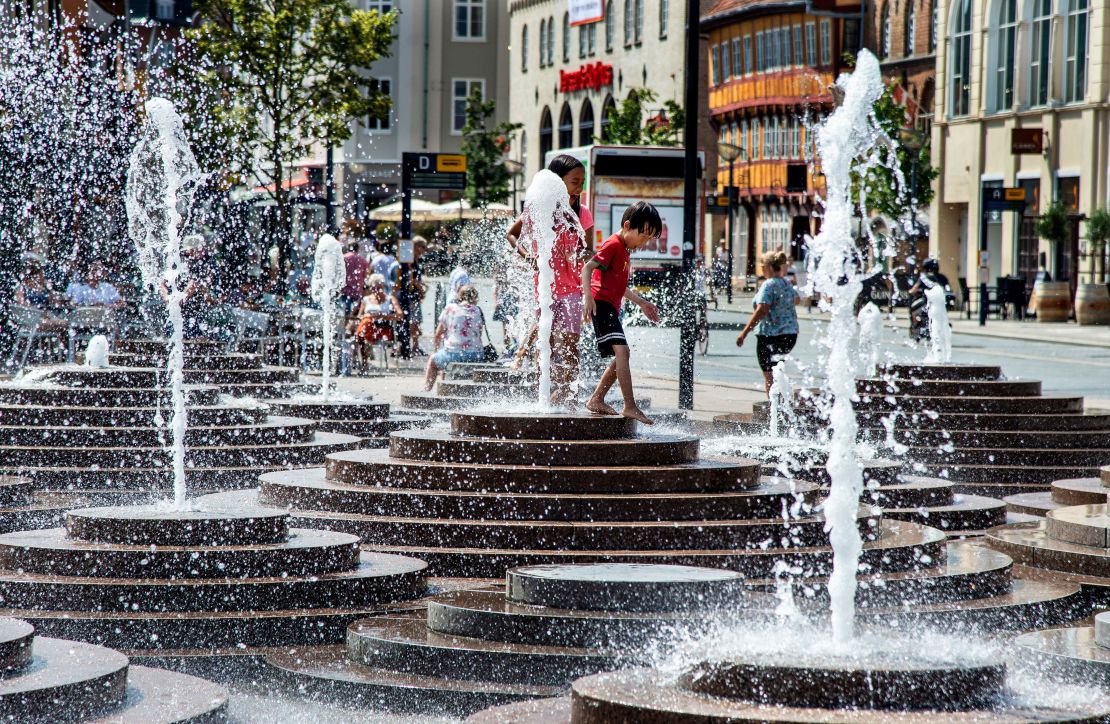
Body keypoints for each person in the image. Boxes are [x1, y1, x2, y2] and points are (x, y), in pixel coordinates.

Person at [505, 154, 594, 403]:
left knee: (570, 346)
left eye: (582, 182)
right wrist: (530, 258)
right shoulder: (539, 210)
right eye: (575, 181)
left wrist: (580, 253)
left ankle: (567, 396)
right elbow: (511, 234)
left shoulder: (582, 213)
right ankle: (541, 397)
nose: (580, 188)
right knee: (546, 345)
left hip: (573, 290)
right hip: (545, 290)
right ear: (557, 181)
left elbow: (589, 251)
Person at [581, 201, 661, 425]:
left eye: (649, 239)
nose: (644, 243)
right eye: (644, 236)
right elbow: (587, 268)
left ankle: (597, 399)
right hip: (601, 305)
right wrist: (588, 298)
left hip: (609, 306)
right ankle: (630, 406)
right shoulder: (614, 244)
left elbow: (619, 287)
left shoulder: (624, 249)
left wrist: (642, 302)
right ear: (627, 225)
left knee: (621, 356)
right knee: (623, 352)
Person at [735, 250, 800, 394]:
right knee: (778, 372)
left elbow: (761, 310)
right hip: (790, 335)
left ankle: (773, 408)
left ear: (769, 267)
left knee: (769, 376)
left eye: (763, 266)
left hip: (770, 336)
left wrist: (744, 333)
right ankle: (782, 406)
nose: (762, 269)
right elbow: (797, 299)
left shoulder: (768, 285)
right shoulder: (786, 283)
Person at [423, 285, 485, 390]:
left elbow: (438, 334)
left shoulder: (450, 308)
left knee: (433, 362)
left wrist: (436, 350)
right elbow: (479, 334)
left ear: (459, 296)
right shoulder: (478, 310)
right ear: (475, 297)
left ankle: (426, 391)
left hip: (452, 354)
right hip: (475, 356)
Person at [351, 273, 402, 364]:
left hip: (383, 330)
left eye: (379, 288)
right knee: (366, 321)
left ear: (383, 287)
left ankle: (364, 362)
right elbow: (360, 316)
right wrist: (369, 316)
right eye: (374, 288)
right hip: (367, 328)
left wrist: (383, 316)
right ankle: (365, 352)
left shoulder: (390, 299)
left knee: (361, 331)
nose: (376, 290)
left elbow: (400, 315)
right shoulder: (366, 299)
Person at [341, 240, 369, 315]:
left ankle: (344, 325)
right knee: (354, 315)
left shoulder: (343, 258)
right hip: (357, 290)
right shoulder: (363, 260)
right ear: (357, 248)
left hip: (344, 289)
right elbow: (366, 276)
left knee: (344, 313)